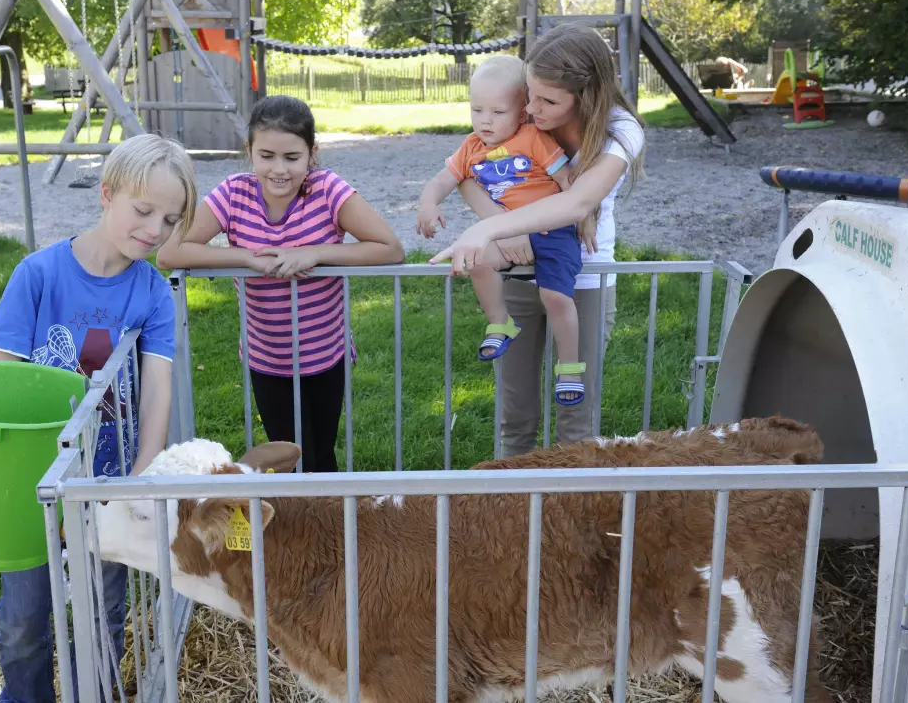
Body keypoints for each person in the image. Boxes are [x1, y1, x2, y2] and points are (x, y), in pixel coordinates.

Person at [0, 132, 197, 703]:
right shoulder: (38, 274)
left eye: (171, 220)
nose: (155, 230)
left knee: (102, 611)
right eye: (144, 210)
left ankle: (91, 694)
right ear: (107, 193)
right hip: (35, 482)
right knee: (24, 619)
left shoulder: (152, 291)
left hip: (107, 483)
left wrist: (141, 474)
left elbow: (157, 388)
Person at [157, 95, 404, 473]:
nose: (279, 169)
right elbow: (170, 254)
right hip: (267, 356)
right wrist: (245, 256)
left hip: (325, 353)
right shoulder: (234, 192)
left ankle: (328, 527)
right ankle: (297, 523)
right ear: (250, 150)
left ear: (312, 154)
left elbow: (390, 248)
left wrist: (316, 252)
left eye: (292, 157)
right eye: (267, 155)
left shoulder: (327, 189)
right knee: (289, 457)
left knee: (321, 454)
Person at [430, 23, 645, 455]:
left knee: (575, 423)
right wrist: (502, 223)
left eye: (547, 100)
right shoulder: (527, 109)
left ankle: (573, 516)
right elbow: (469, 174)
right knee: (516, 417)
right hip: (516, 272)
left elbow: (576, 203)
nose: (531, 107)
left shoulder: (620, 130)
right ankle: (515, 514)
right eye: (529, 94)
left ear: (585, 96)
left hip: (581, 280)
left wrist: (487, 229)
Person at [415, 55, 594, 405]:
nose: (485, 120)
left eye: (497, 112)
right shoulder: (470, 148)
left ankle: (570, 365)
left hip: (551, 228)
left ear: (521, 112)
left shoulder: (534, 138)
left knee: (556, 296)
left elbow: (567, 180)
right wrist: (428, 204)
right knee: (476, 260)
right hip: (501, 231)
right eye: (477, 109)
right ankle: (500, 323)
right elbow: (442, 180)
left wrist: (586, 216)